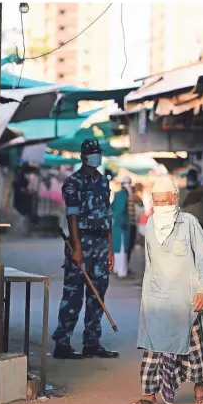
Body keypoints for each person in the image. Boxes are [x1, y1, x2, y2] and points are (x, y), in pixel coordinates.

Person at [129, 175, 203, 404]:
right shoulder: (150, 225)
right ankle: (148, 395)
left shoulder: (189, 223)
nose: (160, 207)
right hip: (157, 299)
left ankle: (200, 387)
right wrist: (146, 298)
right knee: (152, 349)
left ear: (175, 199)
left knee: (193, 350)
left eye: (164, 201)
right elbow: (149, 265)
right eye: (156, 202)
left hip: (186, 299)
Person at [52, 139, 118, 359]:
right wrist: (77, 248)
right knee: (73, 293)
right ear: (83, 157)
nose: (96, 157)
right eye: (92, 153)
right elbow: (72, 215)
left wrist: (109, 249)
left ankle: (92, 343)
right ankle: (62, 343)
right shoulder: (73, 182)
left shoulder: (103, 182)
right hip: (81, 242)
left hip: (100, 244)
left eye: (98, 152)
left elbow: (108, 215)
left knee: (98, 293)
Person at [112, 177, 130, 278]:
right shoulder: (123, 195)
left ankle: (117, 269)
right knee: (122, 249)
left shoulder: (119, 194)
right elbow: (120, 210)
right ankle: (121, 271)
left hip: (118, 226)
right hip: (122, 226)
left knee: (118, 249)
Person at [180, 169, 203, 234]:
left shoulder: (202, 190)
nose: (191, 179)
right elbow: (180, 204)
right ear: (187, 178)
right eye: (189, 177)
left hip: (200, 222)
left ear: (196, 179)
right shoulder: (182, 191)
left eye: (193, 178)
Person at [128, 183, 144, 265]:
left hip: (130, 223)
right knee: (130, 245)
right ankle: (125, 269)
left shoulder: (129, 196)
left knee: (129, 246)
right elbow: (142, 208)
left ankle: (125, 268)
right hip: (132, 223)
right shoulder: (135, 197)